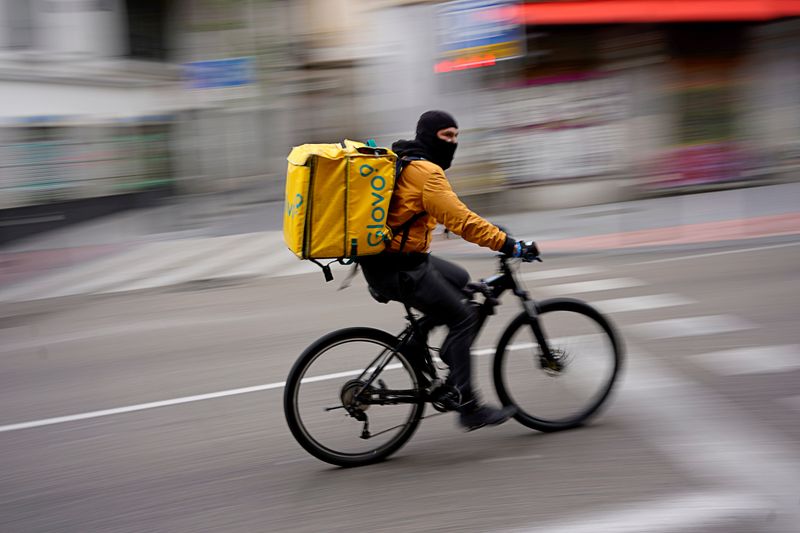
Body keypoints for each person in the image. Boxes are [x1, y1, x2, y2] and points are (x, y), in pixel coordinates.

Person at [358, 110, 538, 431]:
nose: (453, 143)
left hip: (389, 261)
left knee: (459, 280)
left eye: (456, 136)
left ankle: (416, 343)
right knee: (463, 316)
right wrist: (511, 245)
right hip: (400, 269)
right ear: (428, 135)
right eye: (446, 136)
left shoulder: (406, 159)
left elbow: (441, 212)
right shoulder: (426, 173)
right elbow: (463, 222)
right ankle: (468, 405)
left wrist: (492, 232)